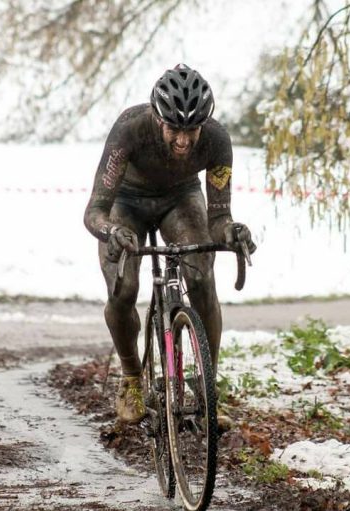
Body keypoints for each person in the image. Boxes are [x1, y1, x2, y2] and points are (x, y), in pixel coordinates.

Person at [83, 64, 256, 426]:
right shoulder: (129, 128)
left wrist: (231, 232)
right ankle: (132, 378)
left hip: (180, 199)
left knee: (201, 277)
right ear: (157, 117)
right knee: (124, 287)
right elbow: (95, 211)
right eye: (174, 129)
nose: (183, 140)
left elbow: (219, 216)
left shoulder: (217, 141)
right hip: (125, 202)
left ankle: (207, 391)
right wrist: (111, 231)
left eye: (191, 130)